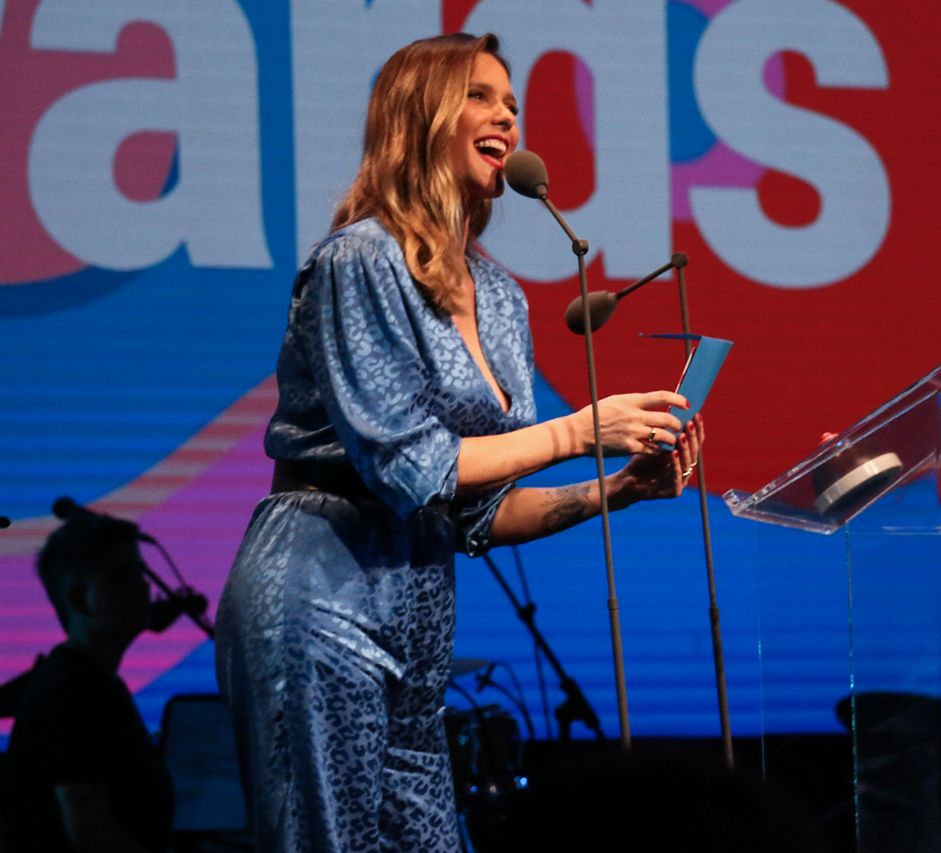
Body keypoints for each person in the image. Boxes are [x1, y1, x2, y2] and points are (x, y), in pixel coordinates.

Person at [214, 32, 703, 852]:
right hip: (319, 598)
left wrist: (616, 489)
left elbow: (478, 511)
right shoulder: (360, 260)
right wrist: (582, 429)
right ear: (419, 118)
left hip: (419, 627)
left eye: (512, 102)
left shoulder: (504, 299)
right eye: (481, 95)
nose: (506, 116)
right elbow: (414, 471)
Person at [2, 514, 175, 852]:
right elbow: (93, 836)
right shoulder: (73, 695)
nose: (142, 586)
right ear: (80, 600)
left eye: (139, 572)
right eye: (120, 577)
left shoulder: (91, 684)